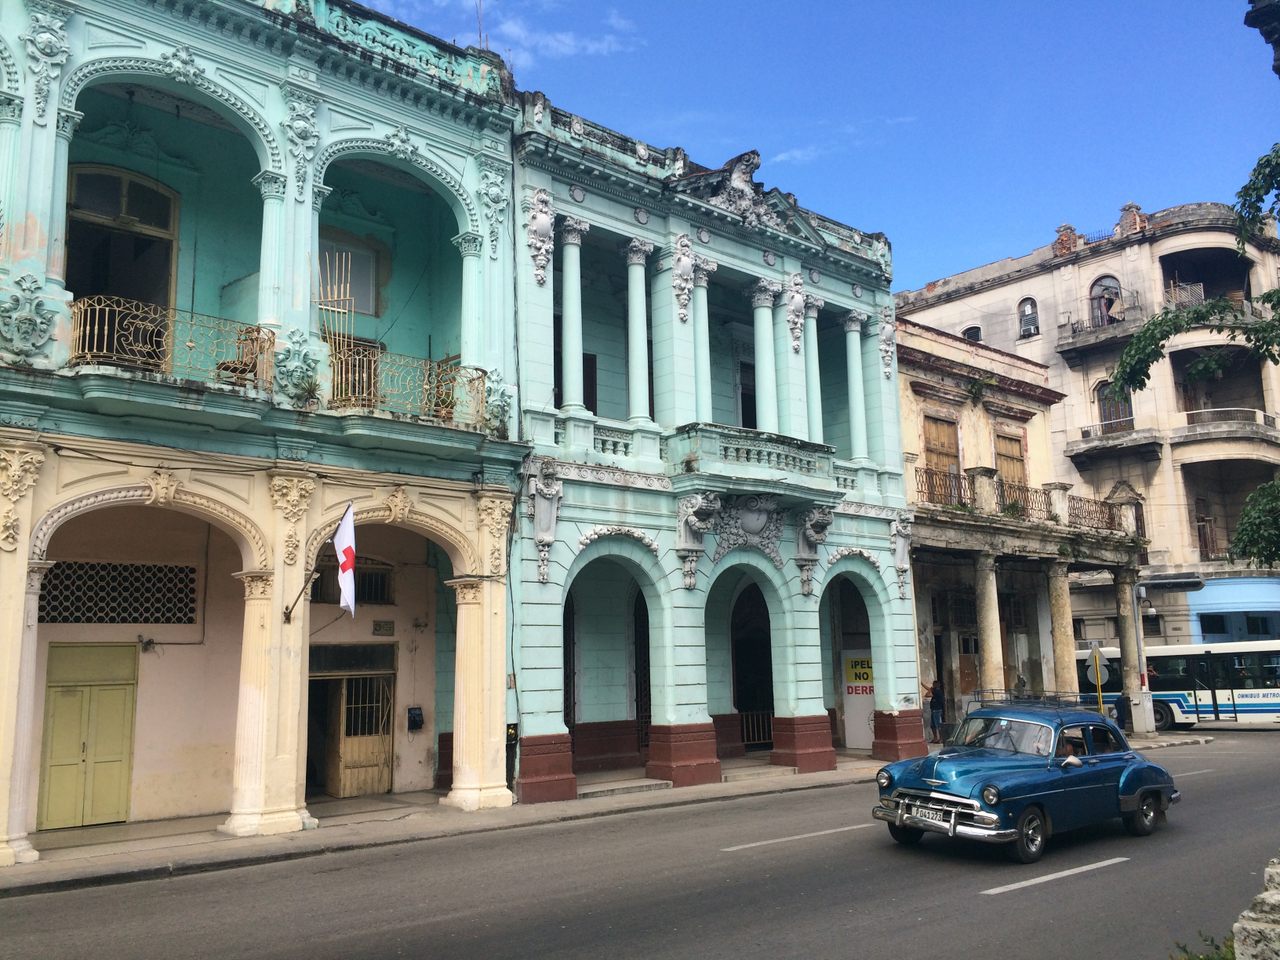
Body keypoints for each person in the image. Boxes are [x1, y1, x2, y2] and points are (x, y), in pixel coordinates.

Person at [923, 679, 945, 744]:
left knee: (938, 725)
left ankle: (941, 738)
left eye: (933, 684)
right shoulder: (935, 691)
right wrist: (922, 684)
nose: (932, 686)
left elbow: (927, 694)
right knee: (933, 725)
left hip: (937, 711)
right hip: (934, 710)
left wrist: (930, 689)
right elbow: (928, 689)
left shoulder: (937, 691)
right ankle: (935, 738)